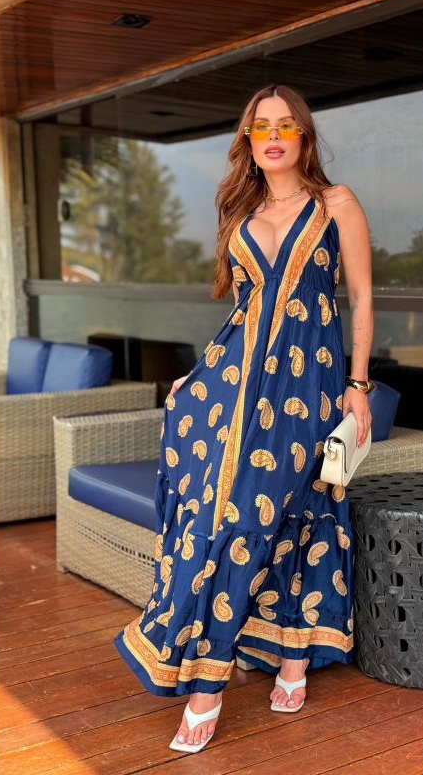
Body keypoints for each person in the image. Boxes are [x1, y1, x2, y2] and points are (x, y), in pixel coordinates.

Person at [113, 83, 374, 754]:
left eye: (287, 125)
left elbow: (363, 298)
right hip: (233, 387)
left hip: (308, 385)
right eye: (262, 127)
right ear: (249, 142)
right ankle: (268, 662)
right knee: (225, 515)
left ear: (304, 137)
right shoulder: (240, 214)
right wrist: (197, 374)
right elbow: (243, 312)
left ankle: (223, 680)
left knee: (275, 515)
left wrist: (358, 386)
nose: (275, 136)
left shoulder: (337, 204)